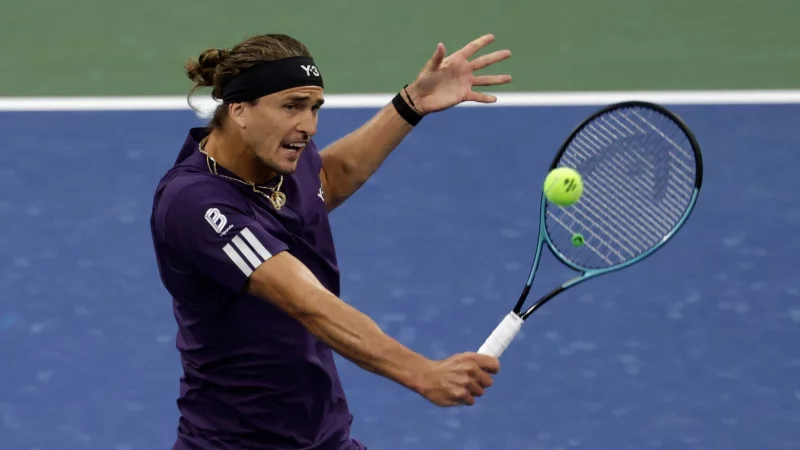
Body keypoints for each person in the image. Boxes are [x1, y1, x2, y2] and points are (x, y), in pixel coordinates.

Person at [149, 32, 512, 450]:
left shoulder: (283, 159)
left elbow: (327, 181)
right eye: (291, 107)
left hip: (322, 435)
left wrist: (411, 104)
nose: (308, 126)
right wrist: (420, 371)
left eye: (314, 108)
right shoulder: (195, 204)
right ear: (239, 110)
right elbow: (308, 302)